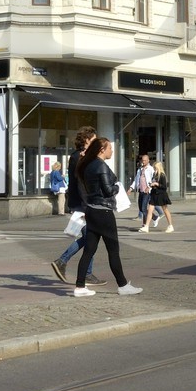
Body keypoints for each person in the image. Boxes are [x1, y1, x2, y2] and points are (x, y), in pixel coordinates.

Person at [73, 136, 141, 298]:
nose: (112, 150)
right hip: (103, 212)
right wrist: (118, 187)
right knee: (113, 250)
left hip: (91, 210)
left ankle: (80, 286)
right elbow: (108, 190)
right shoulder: (101, 166)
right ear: (101, 150)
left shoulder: (87, 165)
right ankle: (123, 285)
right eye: (109, 148)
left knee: (89, 250)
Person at [49, 126, 106, 286]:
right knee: (90, 238)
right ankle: (64, 261)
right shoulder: (77, 157)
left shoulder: (82, 156)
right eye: (93, 139)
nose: (95, 142)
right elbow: (80, 182)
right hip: (82, 204)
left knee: (90, 238)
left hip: (83, 203)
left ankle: (82, 271)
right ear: (86, 140)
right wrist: (87, 206)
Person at [140, 160, 176, 232]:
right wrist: (151, 185)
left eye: (155, 168)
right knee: (150, 210)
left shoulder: (162, 175)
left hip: (161, 194)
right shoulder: (154, 175)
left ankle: (170, 225)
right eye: (154, 168)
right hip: (154, 194)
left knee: (165, 210)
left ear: (159, 168)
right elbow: (153, 183)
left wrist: (156, 184)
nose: (154, 169)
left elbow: (164, 187)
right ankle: (146, 226)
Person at [130, 153, 155, 228]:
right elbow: (136, 179)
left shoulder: (150, 169)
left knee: (144, 208)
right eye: (142, 160)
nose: (143, 162)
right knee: (141, 208)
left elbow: (153, 179)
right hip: (140, 190)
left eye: (144, 160)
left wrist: (149, 187)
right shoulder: (140, 170)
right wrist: (131, 188)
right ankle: (154, 217)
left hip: (147, 191)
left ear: (148, 161)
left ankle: (145, 224)